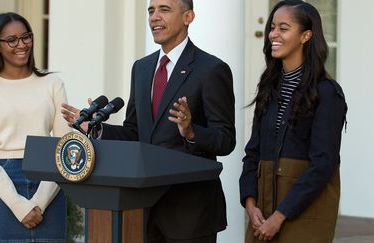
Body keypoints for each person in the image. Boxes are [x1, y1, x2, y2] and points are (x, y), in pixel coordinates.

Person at [61, 0, 235, 242]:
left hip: (190, 215)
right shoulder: (141, 69)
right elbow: (135, 133)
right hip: (143, 211)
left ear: (188, 17)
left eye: (164, 9)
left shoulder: (212, 69)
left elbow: (225, 140)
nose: (154, 17)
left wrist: (190, 131)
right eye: (151, 10)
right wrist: (96, 129)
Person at [239, 1, 347, 242]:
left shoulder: (327, 92)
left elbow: (323, 164)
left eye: (284, 28)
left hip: (304, 215)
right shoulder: (269, 88)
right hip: (263, 212)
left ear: (305, 36)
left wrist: (279, 216)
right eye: (272, 27)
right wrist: (250, 203)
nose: (273, 34)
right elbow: (252, 152)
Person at [0, 12, 71, 242]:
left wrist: (39, 202)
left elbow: (64, 146)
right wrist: (18, 204)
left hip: (49, 183)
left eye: (26, 37)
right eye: (11, 40)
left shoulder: (53, 83)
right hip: (2, 188)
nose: (21, 44)